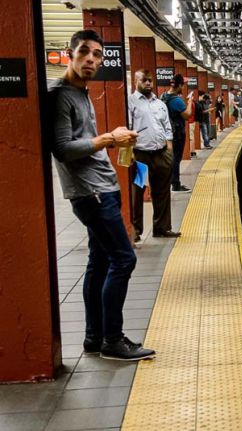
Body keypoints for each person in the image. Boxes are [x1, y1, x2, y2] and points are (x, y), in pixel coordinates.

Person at [49, 29, 155, 361]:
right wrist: (110, 137)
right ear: (70, 53)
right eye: (84, 52)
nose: (91, 60)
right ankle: (113, 339)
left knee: (99, 261)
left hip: (101, 189)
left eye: (97, 54)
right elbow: (64, 149)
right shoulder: (61, 95)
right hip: (91, 193)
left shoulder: (81, 93)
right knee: (124, 259)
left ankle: (94, 337)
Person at [128, 69, 182, 240]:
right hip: (141, 156)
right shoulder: (130, 102)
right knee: (138, 191)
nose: (148, 83)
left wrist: (169, 151)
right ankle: (136, 230)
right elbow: (128, 127)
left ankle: (162, 227)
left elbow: (167, 127)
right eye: (144, 80)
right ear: (136, 81)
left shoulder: (160, 104)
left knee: (162, 191)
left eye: (150, 80)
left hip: (161, 154)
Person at [160, 74, 194, 192]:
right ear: (179, 85)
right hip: (177, 132)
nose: (183, 88)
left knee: (169, 157)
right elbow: (187, 115)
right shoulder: (177, 100)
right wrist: (190, 102)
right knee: (176, 158)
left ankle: (169, 181)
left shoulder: (163, 96)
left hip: (166, 132)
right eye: (182, 86)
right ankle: (176, 184)